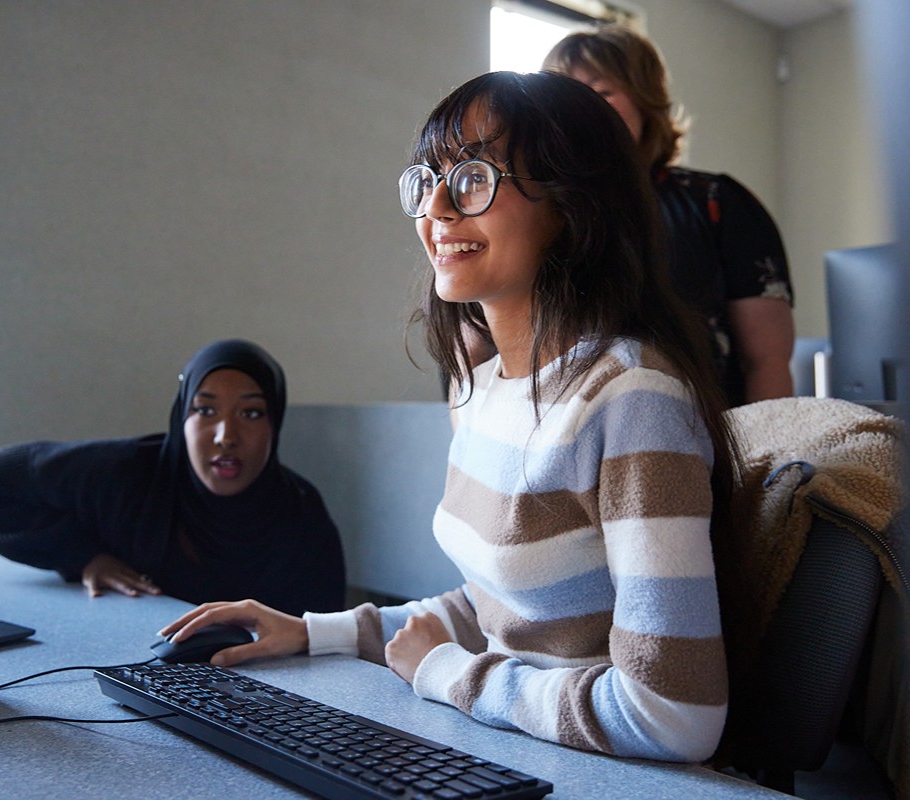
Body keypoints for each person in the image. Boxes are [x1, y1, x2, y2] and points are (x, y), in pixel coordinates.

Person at [159, 71, 741, 763]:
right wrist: (314, 633)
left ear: (572, 206)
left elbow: (674, 715)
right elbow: (497, 608)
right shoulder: (481, 390)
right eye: (426, 178)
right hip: (514, 748)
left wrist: (448, 675)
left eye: (472, 177)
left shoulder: (633, 399)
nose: (434, 206)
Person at [0, 339, 346, 615]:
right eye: (205, 410)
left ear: (275, 424)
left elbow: (325, 642)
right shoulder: (127, 474)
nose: (226, 436)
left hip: (255, 700)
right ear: (181, 419)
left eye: (251, 413)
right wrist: (81, 557)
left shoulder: (300, 513)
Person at [542, 25, 795, 407]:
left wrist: (759, 458)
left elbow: (768, 360)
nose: (585, 109)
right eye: (569, 95)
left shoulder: (717, 201)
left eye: (603, 91)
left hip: (709, 434)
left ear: (646, 101)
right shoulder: (537, 212)